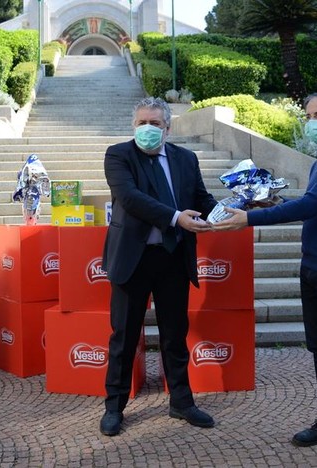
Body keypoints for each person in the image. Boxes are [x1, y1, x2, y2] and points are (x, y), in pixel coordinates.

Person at [212, 91, 317, 465]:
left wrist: (249, 219)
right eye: (308, 114)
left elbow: (313, 205)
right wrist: (271, 203)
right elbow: (312, 203)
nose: (312, 121)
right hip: (316, 266)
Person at [100, 97, 218, 436]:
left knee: (174, 335)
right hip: (132, 259)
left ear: (168, 127)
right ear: (132, 126)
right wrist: (176, 217)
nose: (147, 129)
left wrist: (230, 210)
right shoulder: (119, 155)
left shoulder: (185, 158)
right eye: (141, 123)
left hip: (172, 259)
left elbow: (200, 198)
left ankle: (181, 401)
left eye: (154, 123)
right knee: (124, 336)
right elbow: (130, 198)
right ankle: (114, 407)